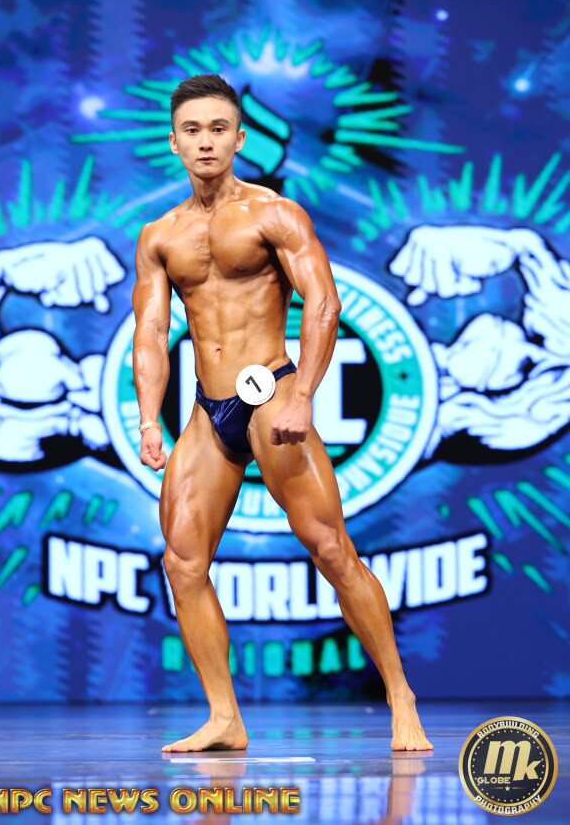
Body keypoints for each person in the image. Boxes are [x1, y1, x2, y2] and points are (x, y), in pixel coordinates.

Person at [131, 74, 433, 753]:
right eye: (192, 130)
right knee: (182, 562)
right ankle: (224, 718)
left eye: (218, 129)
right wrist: (150, 420)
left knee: (330, 548)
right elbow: (150, 333)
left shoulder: (274, 214)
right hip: (207, 409)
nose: (205, 142)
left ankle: (399, 694)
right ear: (174, 142)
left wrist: (302, 396)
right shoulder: (159, 235)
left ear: (240, 138)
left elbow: (323, 304)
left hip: (269, 390)